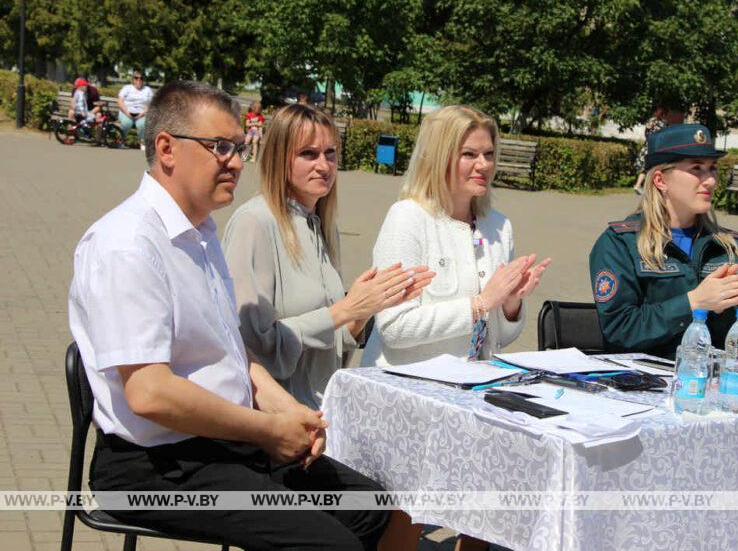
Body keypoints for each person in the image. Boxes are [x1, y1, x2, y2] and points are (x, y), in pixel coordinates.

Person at [68, 80, 392, 550]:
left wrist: (291, 414)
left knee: (371, 508)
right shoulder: (127, 245)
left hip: (218, 443)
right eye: (220, 147)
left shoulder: (200, 233)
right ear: (166, 149)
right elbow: (149, 393)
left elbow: (231, 352)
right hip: (154, 467)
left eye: (240, 147)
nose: (238, 162)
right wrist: (266, 430)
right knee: (328, 543)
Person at [222, 103, 434, 410]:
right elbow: (251, 347)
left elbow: (326, 346)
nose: (324, 165)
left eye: (330, 153)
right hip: (276, 418)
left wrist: (365, 311)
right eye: (308, 154)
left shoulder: (321, 224)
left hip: (322, 409)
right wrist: (344, 309)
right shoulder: (254, 223)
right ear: (280, 158)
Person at [361, 105, 551, 367]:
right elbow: (394, 328)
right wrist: (480, 304)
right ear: (439, 158)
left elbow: (498, 340)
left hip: (470, 385)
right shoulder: (407, 218)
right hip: (408, 387)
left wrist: (510, 303)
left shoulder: (498, 226)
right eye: (469, 154)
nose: (483, 165)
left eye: (488, 154)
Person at [590, 123, 738, 358]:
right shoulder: (621, 244)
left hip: (708, 380)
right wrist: (694, 302)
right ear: (661, 180)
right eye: (696, 169)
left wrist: (723, 312)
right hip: (641, 381)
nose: (710, 180)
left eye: (712, 168)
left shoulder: (727, 246)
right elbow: (620, 329)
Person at [117, 70, 154, 151]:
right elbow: (120, 101)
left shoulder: (148, 90)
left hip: (142, 113)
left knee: (142, 125)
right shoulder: (127, 88)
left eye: (141, 78)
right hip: (126, 112)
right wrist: (127, 112)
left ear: (143, 80)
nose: (138, 80)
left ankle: (142, 143)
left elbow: (151, 104)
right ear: (133, 79)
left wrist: (142, 113)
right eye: (136, 78)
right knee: (126, 123)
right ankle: (121, 141)